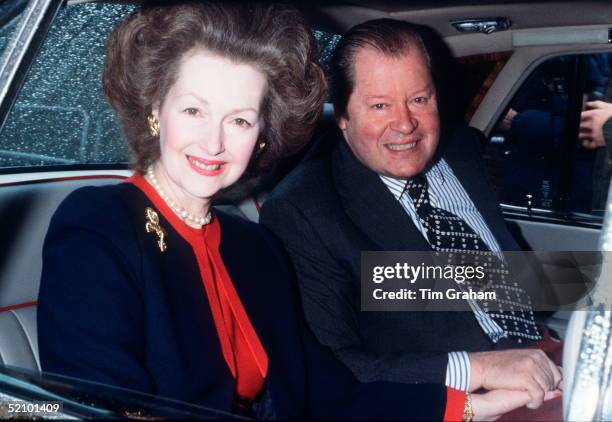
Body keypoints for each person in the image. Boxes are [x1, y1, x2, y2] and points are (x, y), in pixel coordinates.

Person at [35, 2, 537, 420]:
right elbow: (93, 405)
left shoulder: (251, 248)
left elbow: (326, 390)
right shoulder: (101, 224)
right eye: (193, 110)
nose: (214, 140)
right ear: (153, 109)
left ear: (261, 137)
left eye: (240, 119)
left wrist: (468, 408)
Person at [260, 18, 563, 417]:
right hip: (453, 402)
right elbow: (330, 370)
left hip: (543, 353)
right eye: (380, 105)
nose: (405, 124)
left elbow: (502, 280)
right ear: (344, 117)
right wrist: (479, 367)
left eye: (419, 99)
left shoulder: (461, 151)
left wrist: (595, 285)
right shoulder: (305, 211)